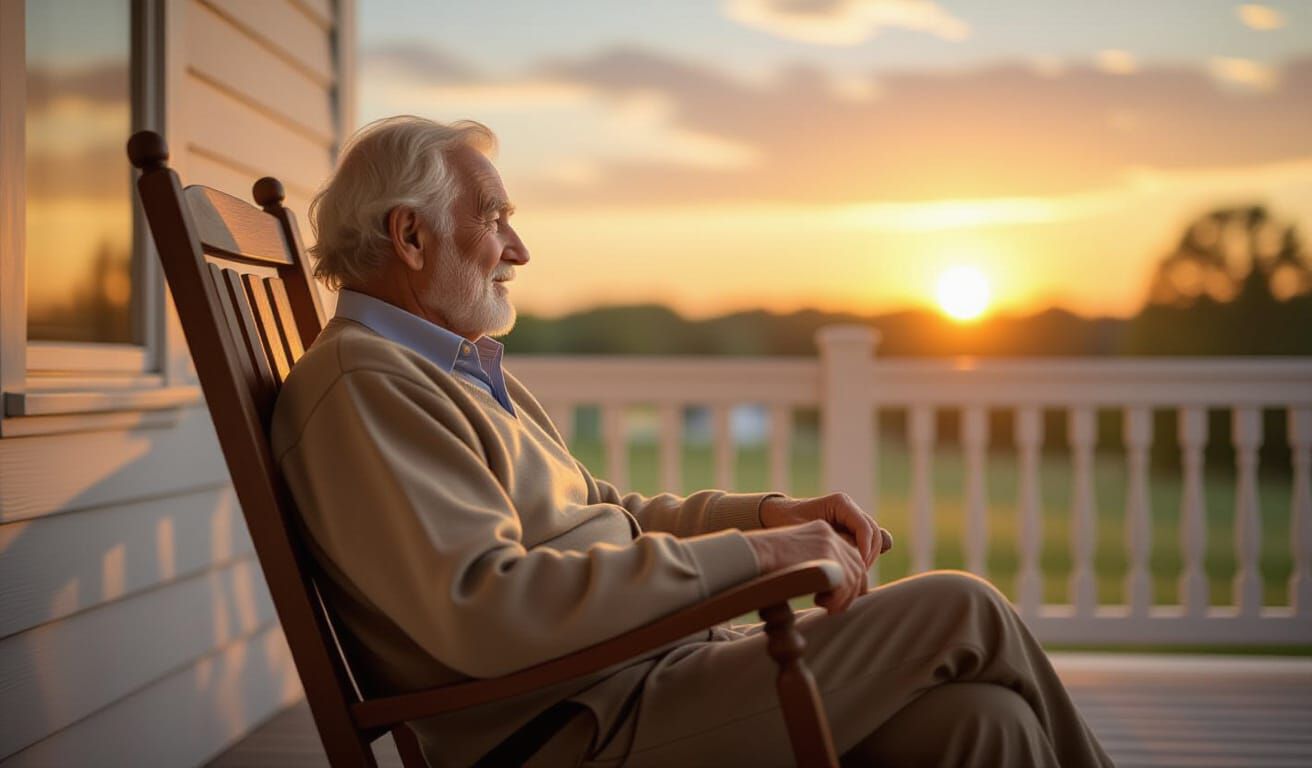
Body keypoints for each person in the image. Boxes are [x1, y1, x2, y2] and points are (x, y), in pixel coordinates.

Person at [270, 115, 1113, 768]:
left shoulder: (454, 368)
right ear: (411, 236)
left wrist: (767, 516)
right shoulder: (363, 386)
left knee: (984, 724)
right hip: (577, 727)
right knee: (961, 605)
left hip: (644, 678)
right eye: (494, 219)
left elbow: (608, 512)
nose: (519, 249)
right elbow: (488, 608)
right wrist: (760, 558)